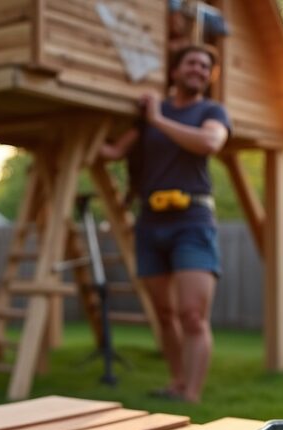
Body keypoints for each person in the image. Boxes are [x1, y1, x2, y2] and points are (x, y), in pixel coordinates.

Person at [100, 45, 230, 403]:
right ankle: (175, 381)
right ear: (175, 71)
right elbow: (111, 152)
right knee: (164, 311)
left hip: (192, 221)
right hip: (150, 223)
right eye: (192, 63)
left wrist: (157, 119)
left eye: (205, 66)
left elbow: (209, 143)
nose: (199, 69)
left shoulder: (211, 111)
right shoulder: (149, 116)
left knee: (192, 314)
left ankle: (191, 395)